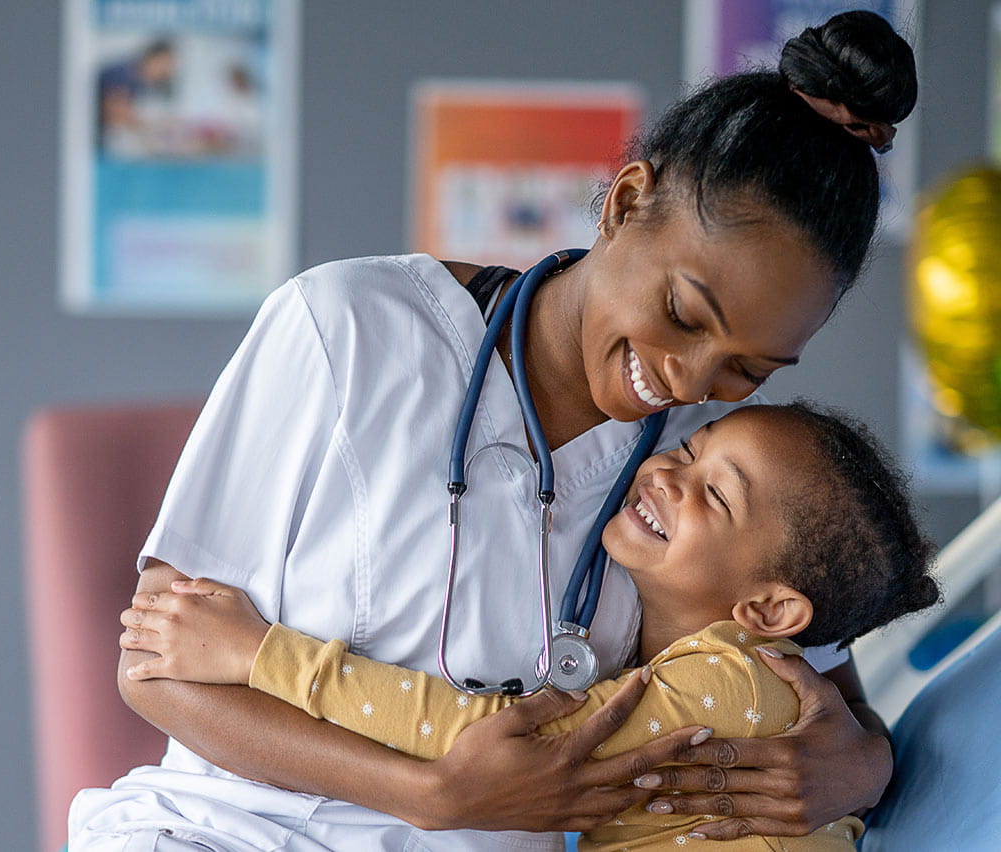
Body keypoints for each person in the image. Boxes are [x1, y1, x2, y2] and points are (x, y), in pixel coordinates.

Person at [69, 11, 919, 851]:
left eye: (749, 368)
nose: (691, 382)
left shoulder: (711, 466)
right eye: (683, 315)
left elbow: (823, 693)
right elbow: (159, 670)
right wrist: (430, 796)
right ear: (626, 201)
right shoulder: (348, 328)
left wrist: (863, 769)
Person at [118, 403, 941, 851]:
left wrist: (260, 654)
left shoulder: (729, 685)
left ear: (769, 610)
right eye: (692, 454)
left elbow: (478, 737)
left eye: (716, 496)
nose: (667, 473)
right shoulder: (736, 670)